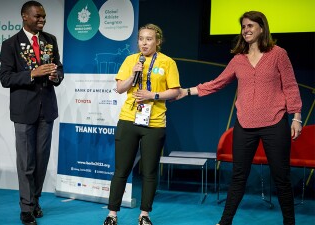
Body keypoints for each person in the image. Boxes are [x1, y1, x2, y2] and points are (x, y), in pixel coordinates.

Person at [176, 11, 302, 225]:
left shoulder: (278, 53)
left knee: (281, 178)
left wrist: (296, 117)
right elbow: (217, 83)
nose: (247, 30)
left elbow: (290, 86)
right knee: (238, 177)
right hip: (245, 124)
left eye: (251, 26)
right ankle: (225, 222)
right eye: (244, 27)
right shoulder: (238, 60)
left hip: (274, 122)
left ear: (262, 28)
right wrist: (186, 91)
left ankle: (289, 222)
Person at [103, 24, 181, 225]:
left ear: (158, 41)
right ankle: (112, 215)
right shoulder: (131, 60)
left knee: (149, 171)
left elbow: (175, 91)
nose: (144, 43)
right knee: (121, 170)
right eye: (141, 39)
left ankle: (144, 214)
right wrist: (133, 74)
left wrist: (152, 95)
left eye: (149, 39)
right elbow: (120, 88)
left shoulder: (168, 62)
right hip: (129, 119)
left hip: (154, 123)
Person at [0, 1, 63, 224]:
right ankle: (26, 208)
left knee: (41, 160)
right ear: (25, 16)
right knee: (26, 162)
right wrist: (32, 73)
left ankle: (35, 201)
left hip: (47, 109)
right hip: (24, 111)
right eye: (38, 16)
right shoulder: (10, 44)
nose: (42, 20)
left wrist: (56, 76)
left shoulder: (50, 40)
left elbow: (59, 68)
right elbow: (5, 78)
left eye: (44, 17)